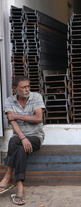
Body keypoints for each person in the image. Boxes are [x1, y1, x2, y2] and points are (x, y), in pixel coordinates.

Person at [0, 75, 45, 205]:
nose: (27, 89)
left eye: (28, 86)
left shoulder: (36, 97)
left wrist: (16, 115)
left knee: (14, 142)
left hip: (36, 136)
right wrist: (23, 137)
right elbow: (12, 122)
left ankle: (8, 177)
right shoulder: (9, 101)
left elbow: (38, 118)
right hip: (20, 138)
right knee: (18, 146)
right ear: (15, 89)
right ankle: (20, 187)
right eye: (23, 87)